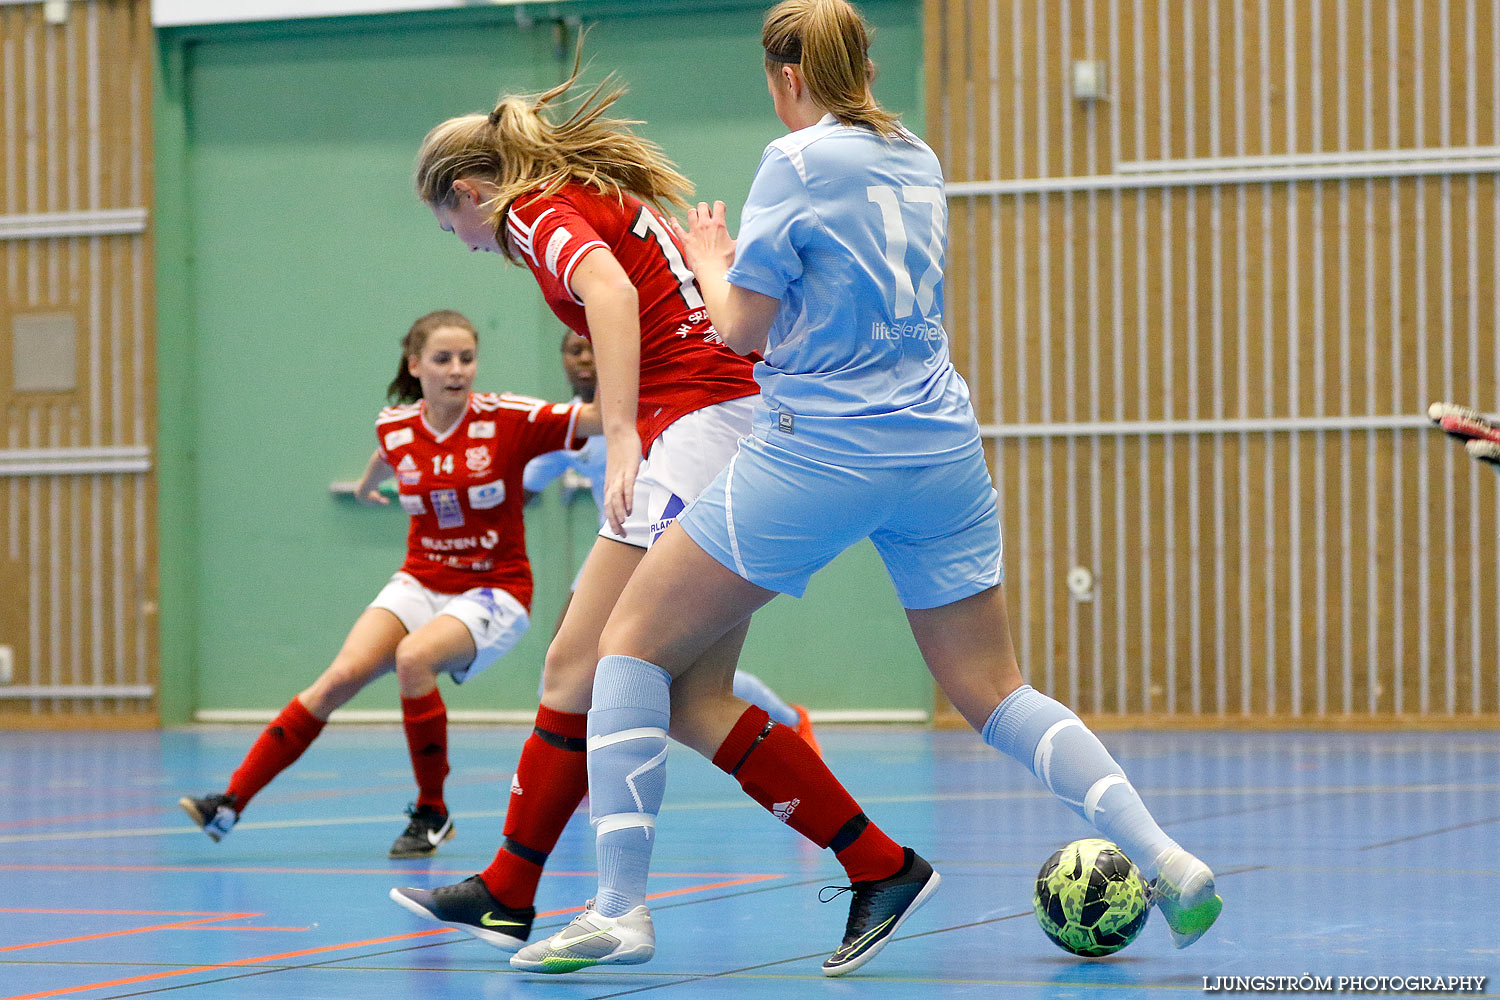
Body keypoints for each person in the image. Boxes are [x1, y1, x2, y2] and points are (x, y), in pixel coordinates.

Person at [517, 0, 1223, 977]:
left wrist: (714, 259)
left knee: (627, 645)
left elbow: (741, 329)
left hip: (821, 454)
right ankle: (1168, 860)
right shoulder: (916, 155)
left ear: (786, 77)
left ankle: (619, 910)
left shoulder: (794, 161)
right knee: (994, 688)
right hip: (941, 451)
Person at [389, 48, 905, 957]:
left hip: (696, 432)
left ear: (472, 192)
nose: (466, 246)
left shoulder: (538, 210)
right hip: (738, 426)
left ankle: (519, 889)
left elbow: (612, 293)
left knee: (576, 668)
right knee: (691, 699)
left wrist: (620, 431)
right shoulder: (582, 196)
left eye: (448, 228)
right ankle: (878, 863)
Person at [179, 310, 599, 858]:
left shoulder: (509, 419)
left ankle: (432, 810)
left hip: (494, 591)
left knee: (412, 659)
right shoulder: (396, 426)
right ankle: (230, 802)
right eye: (443, 359)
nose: (457, 370)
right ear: (416, 365)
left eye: (467, 359)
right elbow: (388, 454)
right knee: (339, 678)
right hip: (421, 578)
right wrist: (365, 487)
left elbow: (597, 418)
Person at [523, 329, 820, 746]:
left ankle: (788, 720)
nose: (587, 357)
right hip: (617, 547)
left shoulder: (660, 397)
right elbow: (520, 488)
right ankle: (577, 771)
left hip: (679, 541)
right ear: (563, 360)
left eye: (594, 345)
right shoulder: (571, 428)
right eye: (575, 349)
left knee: (690, 683)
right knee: (567, 663)